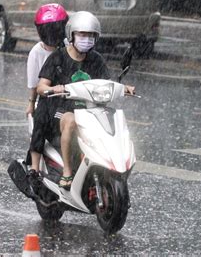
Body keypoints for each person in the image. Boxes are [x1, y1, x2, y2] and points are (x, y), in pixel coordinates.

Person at [37, 11, 135, 190]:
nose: (86, 39)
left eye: (91, 36)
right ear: (71, 35)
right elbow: (41, 86)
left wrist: (123, 88)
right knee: (72, 121)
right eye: (82, 34)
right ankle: (67, 171)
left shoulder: (95, 59)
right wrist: (53, 89)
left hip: (90, 109)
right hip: (63, 109)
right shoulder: (58, 57)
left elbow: (106, 82)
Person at [26, 3, 68, 188]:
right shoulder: (37, 52)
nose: (52, 34)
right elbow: (34, 84)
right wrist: (31, 104)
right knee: (40, 124)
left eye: (56, 29)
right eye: (48, 30)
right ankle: (34, 168)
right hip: (48, 99)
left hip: (69, 98)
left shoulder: (69, 48)